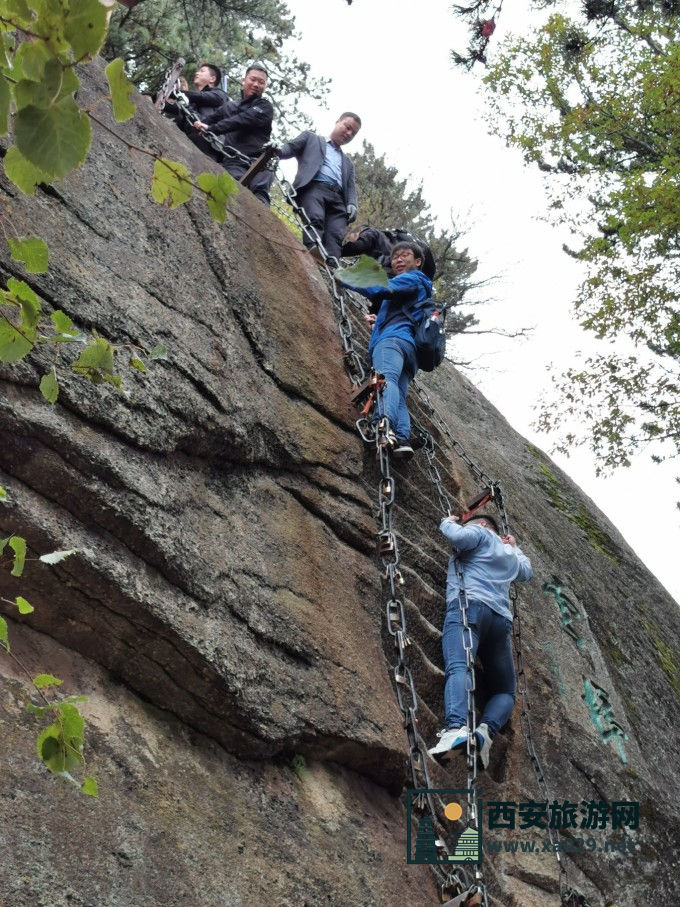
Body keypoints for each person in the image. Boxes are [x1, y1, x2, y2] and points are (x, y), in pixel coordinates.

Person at [428, 513, 533, 769]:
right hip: (499, 621)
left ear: (483, 525)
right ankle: (485, 733)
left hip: (469, 606)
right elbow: (527, 572)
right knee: (506, 691)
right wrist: (515, 548)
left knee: (459, 666)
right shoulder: (510, 555)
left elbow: (458, 536)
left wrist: (448, 521)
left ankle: (456, 730)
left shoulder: (482, 532)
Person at [337, 241, 432, 458]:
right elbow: (403, 313)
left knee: (385, 380)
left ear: (417, 262)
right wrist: (378, 320)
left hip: (393, 342)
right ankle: (401, 438)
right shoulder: (420, 288)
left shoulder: (412, 278)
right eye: (395, 256)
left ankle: (383, 425)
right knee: (397, 392)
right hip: (409, 351)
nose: (397, 259)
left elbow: (382, 288)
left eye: (404, 255)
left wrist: (348, 278)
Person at [277, 113, 361, 259]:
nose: (348, 133)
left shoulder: (348, 163)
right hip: (314, 188)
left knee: (336, 233)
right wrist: (277, 151)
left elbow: (351, 187)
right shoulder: (311, 139)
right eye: (347, 127)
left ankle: (332, 264)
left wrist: (352, 203)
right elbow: (290, 148)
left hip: (338, 199)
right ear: (337, 122)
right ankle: (313, 250)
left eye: (353, 133)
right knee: (315, 218)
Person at [194, 63, 275, 205]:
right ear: (244, 80)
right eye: (253, 79)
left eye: (261, 82)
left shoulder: (265, 107)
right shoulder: (229, 107)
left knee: (260, 194)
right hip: (234, 159)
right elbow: (208, 120)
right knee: (232, 192)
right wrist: (199, 124)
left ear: (265, 86)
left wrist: (212, 129)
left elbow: (242, 120)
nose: (256, 84)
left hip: (260, 160)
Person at [165, 63, 227, 157]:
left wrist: (175, 93)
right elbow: (174, 109)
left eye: (202, 71)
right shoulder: (190, 101)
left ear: (212, 79)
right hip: (189, 142)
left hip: (209, 144)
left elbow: (201, 97)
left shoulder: (220, 95)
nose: (197, 73)